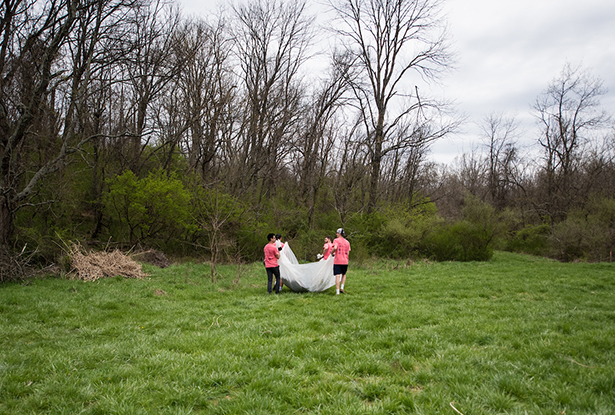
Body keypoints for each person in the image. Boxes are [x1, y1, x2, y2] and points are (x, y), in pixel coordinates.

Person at [331, 228, 350, 295]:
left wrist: (332, 252)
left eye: (337, 233)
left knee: (337, 275)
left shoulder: (336, 240)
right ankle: (342, 288)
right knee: (344, 274)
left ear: (339, 233)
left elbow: (335, 247)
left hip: (338, 260)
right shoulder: (347, 242)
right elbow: (348, 252)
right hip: (345, 260)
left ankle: (337, 292)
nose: (336, 234)